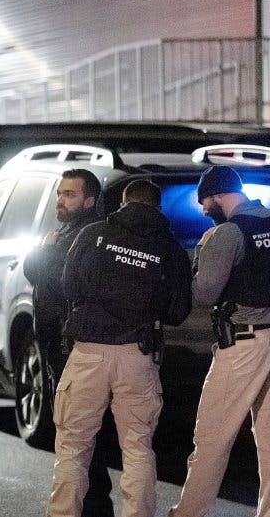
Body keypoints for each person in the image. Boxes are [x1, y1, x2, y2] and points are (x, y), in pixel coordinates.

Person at [49, 179, 192, 517]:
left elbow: (69, 287)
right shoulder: (170, 249)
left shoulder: (92, 234)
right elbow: (177, 311)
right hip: (137, 355)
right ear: (157, 208)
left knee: (73, 447)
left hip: (88, 353)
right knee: (138, 448)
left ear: (124, 204)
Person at [169, 165, 270, 517]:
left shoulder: (227, 233)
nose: (202, 210)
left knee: (211, 437)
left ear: (216, 195)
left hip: (245, 345)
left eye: (204, 202)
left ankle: (188, 513)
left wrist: (200, 253)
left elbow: (204, 292)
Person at [22, 168, 115, 517]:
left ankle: (93, 505)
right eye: (59, 193)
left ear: (89, 200)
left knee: (79, 431)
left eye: (70, 195)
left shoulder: (86, 236)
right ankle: (93, 503)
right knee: (79, 430)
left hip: (71, 345)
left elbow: (44, 273)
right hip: (58, 344)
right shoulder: (66, 233)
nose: (60, 200)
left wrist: (45, 249)